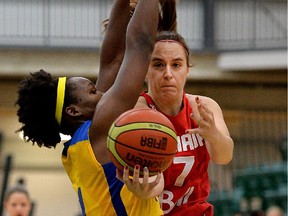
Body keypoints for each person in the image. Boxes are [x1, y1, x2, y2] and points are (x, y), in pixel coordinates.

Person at [15, 0, 166, 215]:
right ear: (73, 110)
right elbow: (141, 44)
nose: (103, 93)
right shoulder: (99, 129)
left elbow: (112, 61)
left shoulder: (83, 141)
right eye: (93, 91)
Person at [134, 29, 234, 215]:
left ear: (187, 69)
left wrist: (213, 134)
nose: (168, 74)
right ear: (145, 70)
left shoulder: (204, 107)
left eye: (176, 65)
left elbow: (224, 157)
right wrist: (146, 188)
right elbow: (155, 185)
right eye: (158, 64)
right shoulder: (136, 113)